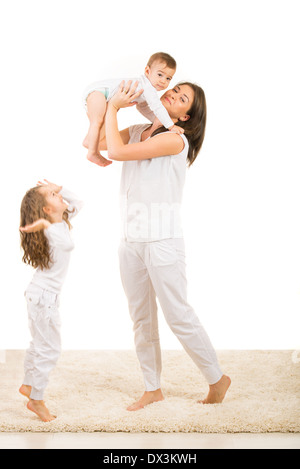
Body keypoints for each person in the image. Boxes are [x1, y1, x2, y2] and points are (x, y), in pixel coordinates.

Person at [100, 80, 231, 411]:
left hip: (162, 241)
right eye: (174, 89)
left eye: (181, 97)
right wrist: (115, 106)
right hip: (130, 240)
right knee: (140, 318)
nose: (171, 93)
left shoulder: (176, 140)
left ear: (186, 116)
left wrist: (114, 106)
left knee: (178, 314)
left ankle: (217, 378)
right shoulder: (139, 129)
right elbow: (99, 141)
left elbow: (115, 152)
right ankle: (152, 388)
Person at [19, 180, 83, 422]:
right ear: (46, 210)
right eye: (54, 195)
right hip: (44, 298)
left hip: (39, 295)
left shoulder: (58, 223)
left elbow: (79, 203)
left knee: (39, 343)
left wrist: (62, 188)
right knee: (50, 348)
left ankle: (28, 384)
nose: (60, 197)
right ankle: (36, 399)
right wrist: (47, 223)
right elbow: (68, 245)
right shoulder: (52, 229)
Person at [82, 52, 184, 167]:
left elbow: (142, 107)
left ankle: (91, 147)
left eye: (168, 78)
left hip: (101, 95)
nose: (163, 81)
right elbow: (157, 107)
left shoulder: (145, 88)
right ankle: (92, 152)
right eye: (160, 75)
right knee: (97, 122)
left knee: (97, 123)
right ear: (147, 71)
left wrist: (155, 119)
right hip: (99, 92)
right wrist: (170, 125)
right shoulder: (148, 88)